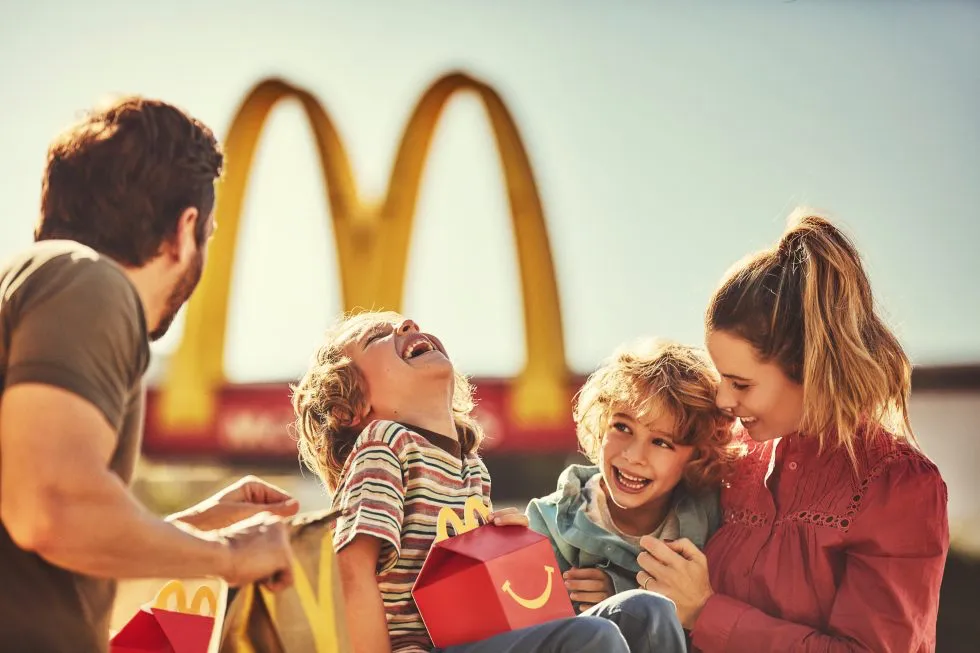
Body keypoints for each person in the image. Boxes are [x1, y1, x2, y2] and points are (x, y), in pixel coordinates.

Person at [0, 96, 300, 653]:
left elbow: (60, 560)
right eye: (208, 234)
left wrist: (200, 526)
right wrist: (229, 559)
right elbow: (50, 507)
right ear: (186, 230)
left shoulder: (34, 289)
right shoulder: (87, 281)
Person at [615, 210, 949, 651]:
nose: (723, 401)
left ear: (808, 370)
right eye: (721, 379)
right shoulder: (731, 459)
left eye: (742, 384)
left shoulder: (898, 488)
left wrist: (706, 612)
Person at [292, 311, 633, 653]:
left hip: (476, 637)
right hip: (424, 646)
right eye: (376, 337)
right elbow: (350, 569)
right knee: (592, 637)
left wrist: (506, 547)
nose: (408, 324)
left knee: (643, 610)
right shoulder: (385, 444)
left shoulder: (472, 467)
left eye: (406, 324)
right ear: (347, 409)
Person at [526, 339, 740, 622]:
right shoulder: (550, 522)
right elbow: (538, 623)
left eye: (662, 442)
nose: (633, 455)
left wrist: (622, 593)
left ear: (696, 455)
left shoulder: (711, 520)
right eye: (622, 427)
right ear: (602, 423)